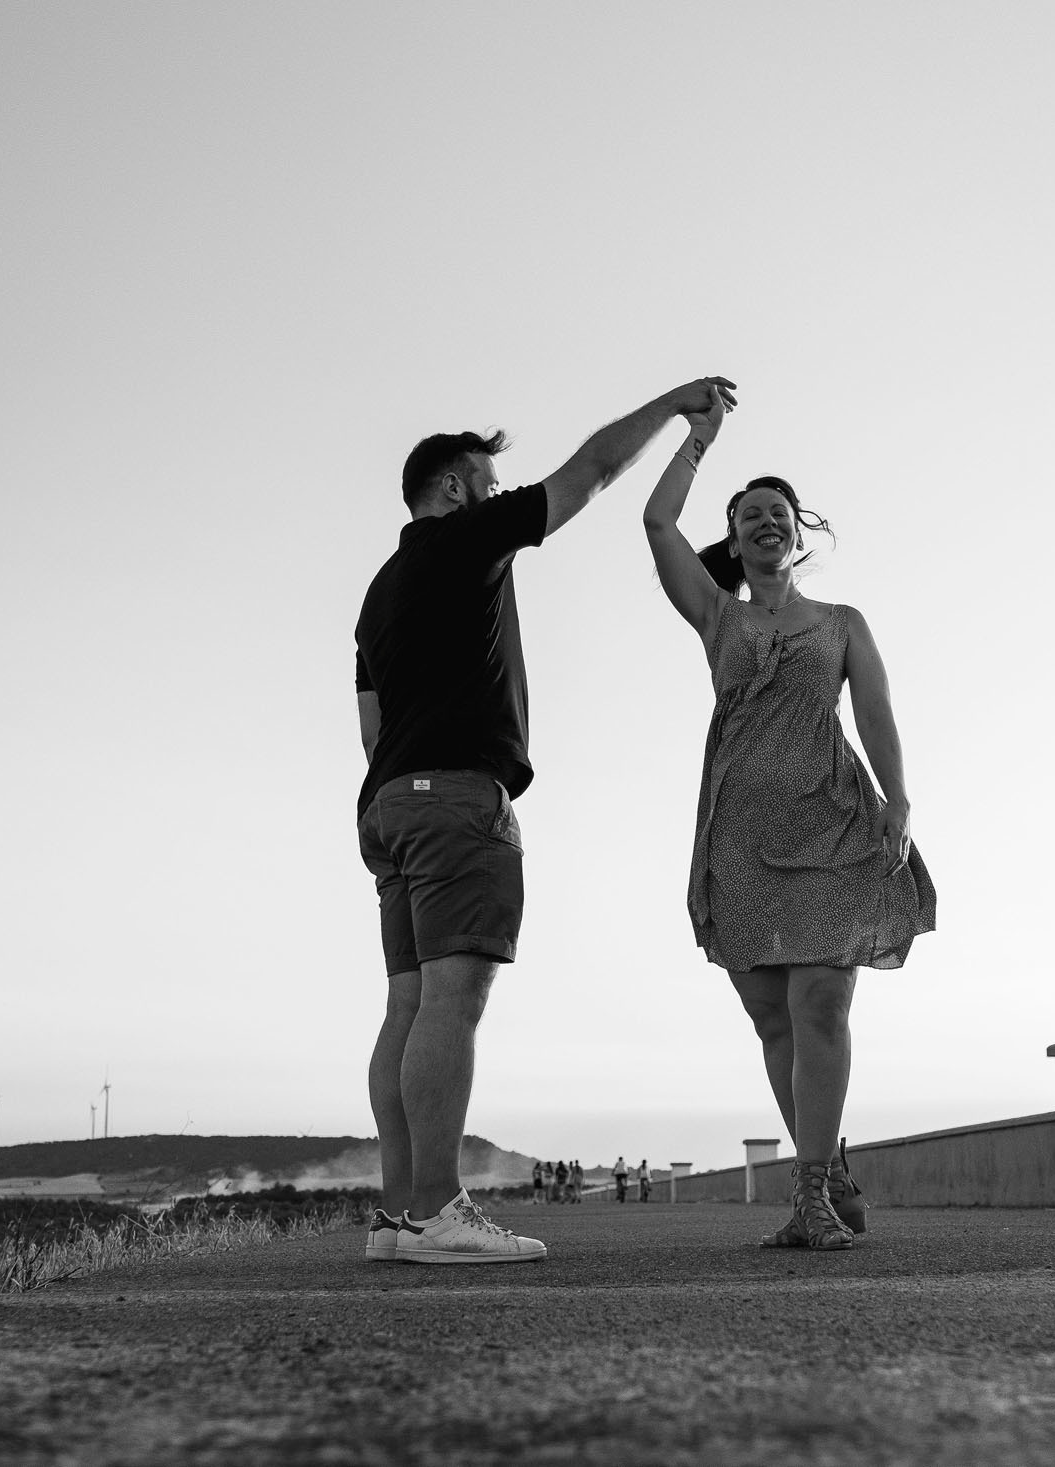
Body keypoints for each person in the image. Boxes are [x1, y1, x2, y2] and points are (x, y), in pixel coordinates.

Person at [359, 377, 739, 1265]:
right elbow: (595, 470)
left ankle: (398, 1216)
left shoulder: (378, 592)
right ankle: (438, 1212)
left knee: (405, 1005)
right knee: (453, 1002)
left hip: (389, 807)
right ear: (455, 486)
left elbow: (371, 729)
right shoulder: (467, 535)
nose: (500, 492)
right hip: (457, 800)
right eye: (489, 479)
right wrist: (676, 407)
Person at [641, 387, 936, 1251]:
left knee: (821, 1000)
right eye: (749, 515)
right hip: (739, 831)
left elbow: (876, 713)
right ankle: (830, 1166)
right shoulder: (716, 615)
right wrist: (696, 441)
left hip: (835, 821)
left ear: (798, 534)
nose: (765, 522)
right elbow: (659, 526)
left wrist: (901, 800)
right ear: (733, 539)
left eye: (778, 512)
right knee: (772, 1013)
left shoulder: (844, 623)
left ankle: (808, 1196)